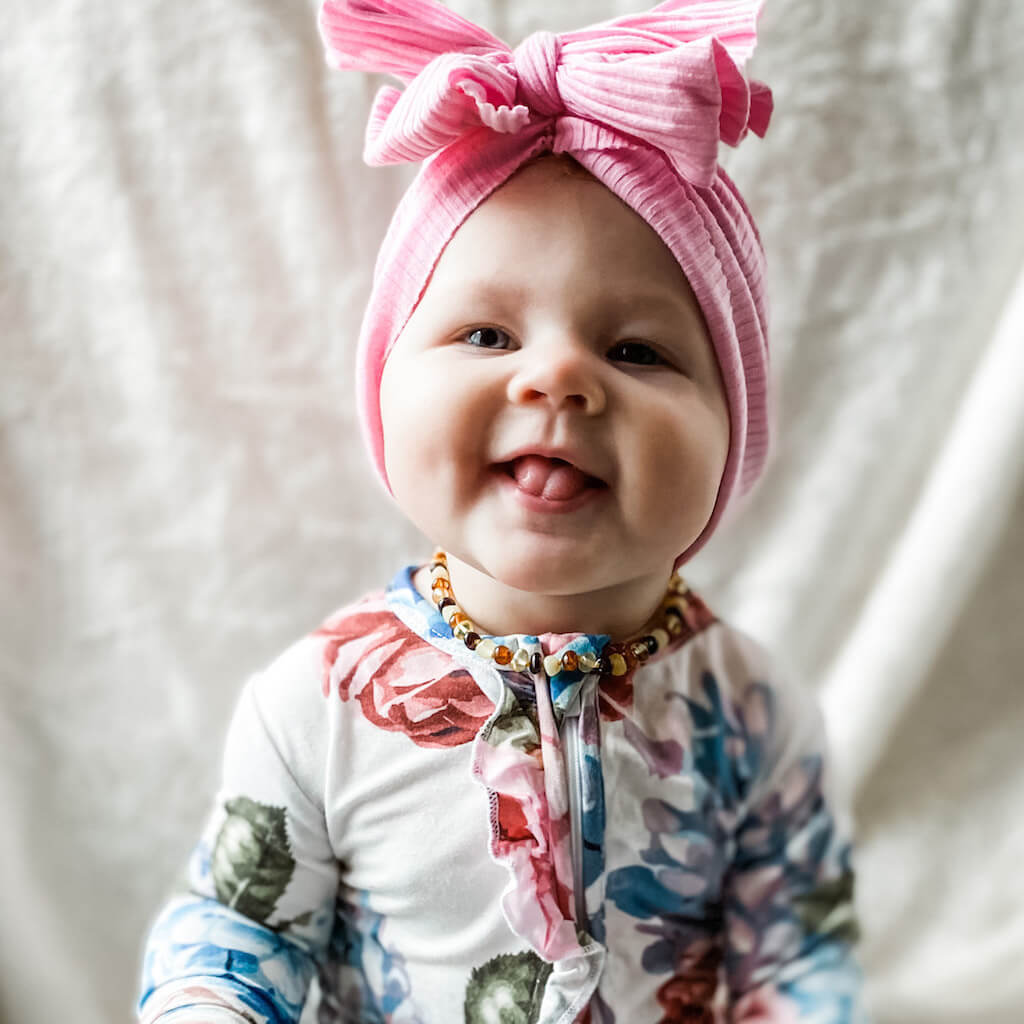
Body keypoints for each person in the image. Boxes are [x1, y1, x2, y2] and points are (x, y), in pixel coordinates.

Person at [138, 0, 867, 1021]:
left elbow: (796, 947)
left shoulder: (749, 712)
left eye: (637, 350)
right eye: (485, 334)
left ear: (732, 434)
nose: (559, 377)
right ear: (387, 390)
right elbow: (238, 925)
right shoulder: (318, 706)